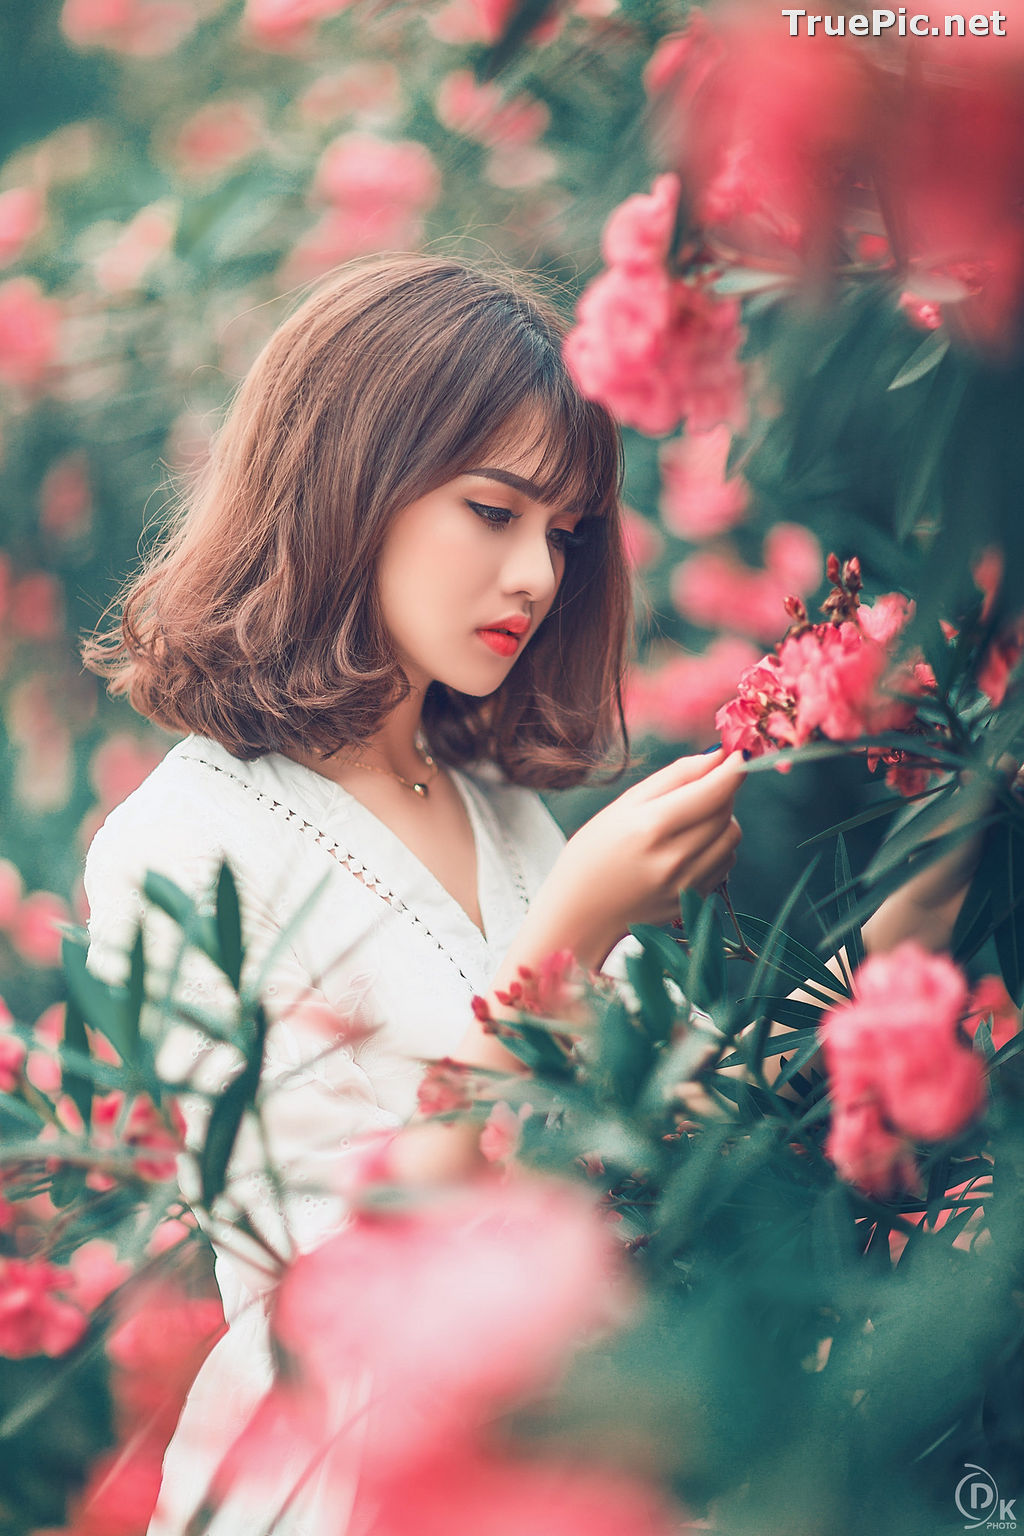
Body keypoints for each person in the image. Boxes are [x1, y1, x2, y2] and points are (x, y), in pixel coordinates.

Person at [80, 253, 745, 1534]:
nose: (540, 577)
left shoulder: (498, 805)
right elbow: (331, 1289)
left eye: (561, 534)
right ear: (350, 485)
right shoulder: (181, 847)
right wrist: (570, 938)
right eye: (493, 512)